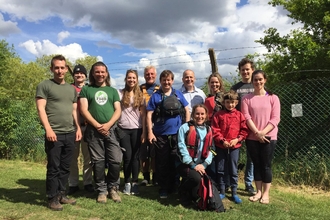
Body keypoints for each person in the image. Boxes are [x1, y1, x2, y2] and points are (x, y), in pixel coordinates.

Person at [35, 55, 81, 211]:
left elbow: (74, 111)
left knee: (65, 167)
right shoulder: (45, 85)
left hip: (70, 133)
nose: (60, 70)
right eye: (57, 67)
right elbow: (41, 108)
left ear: (67, 69)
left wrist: (78, 128)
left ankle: (62, 194)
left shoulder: (71, 89)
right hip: (54, 133)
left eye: (62, 67)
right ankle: (52, 198)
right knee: (54, 167)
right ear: (51, 69)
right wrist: (48, 129)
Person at [79, 61, 122, 203]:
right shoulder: (87, 89)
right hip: (93, 131)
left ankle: (113, 188)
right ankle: (102, 191)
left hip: (111, 130)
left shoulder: (112, 91)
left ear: (107, 73)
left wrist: (108, 125)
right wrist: (98, 125)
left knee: (116, 160)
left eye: (102, 72)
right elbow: (83, 110)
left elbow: (118, 110)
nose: (100, 74)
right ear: (92, 73)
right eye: (97, 72)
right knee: (98, 162)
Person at [146, 70, 190, 199]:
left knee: (175, 160)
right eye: (164, 80)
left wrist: (186, 128)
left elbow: (187, 110)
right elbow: (149, 115)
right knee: (162, 162)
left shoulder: (178, 94)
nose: (166, 82)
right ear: (161, 81)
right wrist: (150, 132)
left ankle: (175, 186)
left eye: (169, 80)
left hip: (177, 134)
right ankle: (164, 188)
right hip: (160, 134)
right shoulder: (156, 96)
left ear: (172, 81)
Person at [241, 70, 281, 204]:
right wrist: (257, 133)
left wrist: (263, 132)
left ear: (265, 80)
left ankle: (266, 193)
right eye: (255, 80)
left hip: (269, 137)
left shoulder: (273, 98)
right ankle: (258, 192)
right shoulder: (246, 98)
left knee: (266, 165)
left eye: (260, 79)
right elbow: (246, 117)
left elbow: (275, 119)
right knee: (256, 164)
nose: (258, 82)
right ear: (252, 82)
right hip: (252, 138)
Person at [211, 90, 249, 204]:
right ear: (223, 102)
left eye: (232, 102)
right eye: (227, 102)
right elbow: (215, 130)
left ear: (236, 102)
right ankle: (222, 191)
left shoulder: (240, 115)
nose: (230, 105)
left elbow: (244, 130)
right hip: (221, 146)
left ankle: (234, 192)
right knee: (221, 168)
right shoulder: (218, 115)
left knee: (233, 169)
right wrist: (222, 141)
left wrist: (237, 139)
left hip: (234, 146)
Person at [176, 104, 213, 205]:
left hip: (200, 165)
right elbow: (181, 147)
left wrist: (204, 164)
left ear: (206, 115)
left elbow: (212, 150)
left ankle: (191, 193)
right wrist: (193, 165)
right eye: (197, 114)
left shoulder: (209, 129)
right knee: (196, 178)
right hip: (185, 164)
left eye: (202, 114)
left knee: (196, 193)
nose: (199, 116)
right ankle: (182, 190)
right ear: (193, 114)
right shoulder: (184, 128)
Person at [117, 69, 146, 195]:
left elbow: (144, 116)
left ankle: (135, 182)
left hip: (137, 129)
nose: (131, 80)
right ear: (125, 79)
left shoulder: (141, 96)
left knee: (135, 157)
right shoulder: (120, 93)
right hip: (123, 129)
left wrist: (145, 132)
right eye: (129, 77)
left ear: (137, 79)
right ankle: (127, 182)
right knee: (127, 157)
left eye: (134, 78)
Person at [231, 58, 256, 195]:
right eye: (242, 70)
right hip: (237, 127)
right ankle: (232, 182)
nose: (245, 72)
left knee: (251, 156)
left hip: (253, 126)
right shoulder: (235, 88)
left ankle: (248, 183)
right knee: (234, 156)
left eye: (248, 69)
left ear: (252, 70)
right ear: (240, 71)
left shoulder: (257, 85)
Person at [68, 64, 94, 195]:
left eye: (82, 73)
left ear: (85, 75)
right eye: (76, 74)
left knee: (88, 157)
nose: (79, 75)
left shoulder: (90, 88)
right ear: (73, 76)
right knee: (73, 157)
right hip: (72, 127)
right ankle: (73, 183)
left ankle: (87, 182)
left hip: (88, 126)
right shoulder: (68, 88)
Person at [139, 65, 159, 186]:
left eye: (152, 74)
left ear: (155, 75)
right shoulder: (139, 89)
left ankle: (155, 177)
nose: (150, 76)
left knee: (154, 153)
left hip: (156, 126)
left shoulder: (160, 89)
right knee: (143, 153)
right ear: (144, 75)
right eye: (147, 74)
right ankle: (145, 177)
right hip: (142, 125)